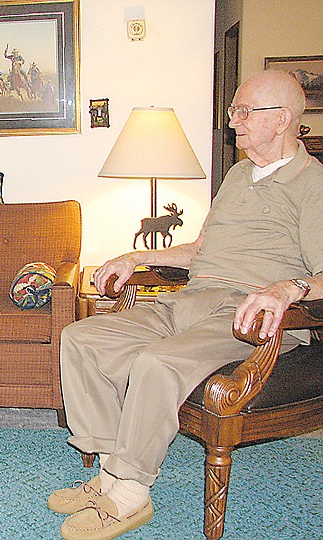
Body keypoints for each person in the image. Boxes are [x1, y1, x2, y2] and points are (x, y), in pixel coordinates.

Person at [48, 69, 323, 540]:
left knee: (157, 363)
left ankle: (129, 496)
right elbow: (199, 250)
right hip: (194, 298)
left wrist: (284, 289)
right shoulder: (238, 175)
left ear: (281, 120)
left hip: (250, 316)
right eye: (234, 109)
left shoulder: (311, 182)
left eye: (243, 110)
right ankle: (115, 473)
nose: (232, 119)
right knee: (82, 338)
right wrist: (137, 255)